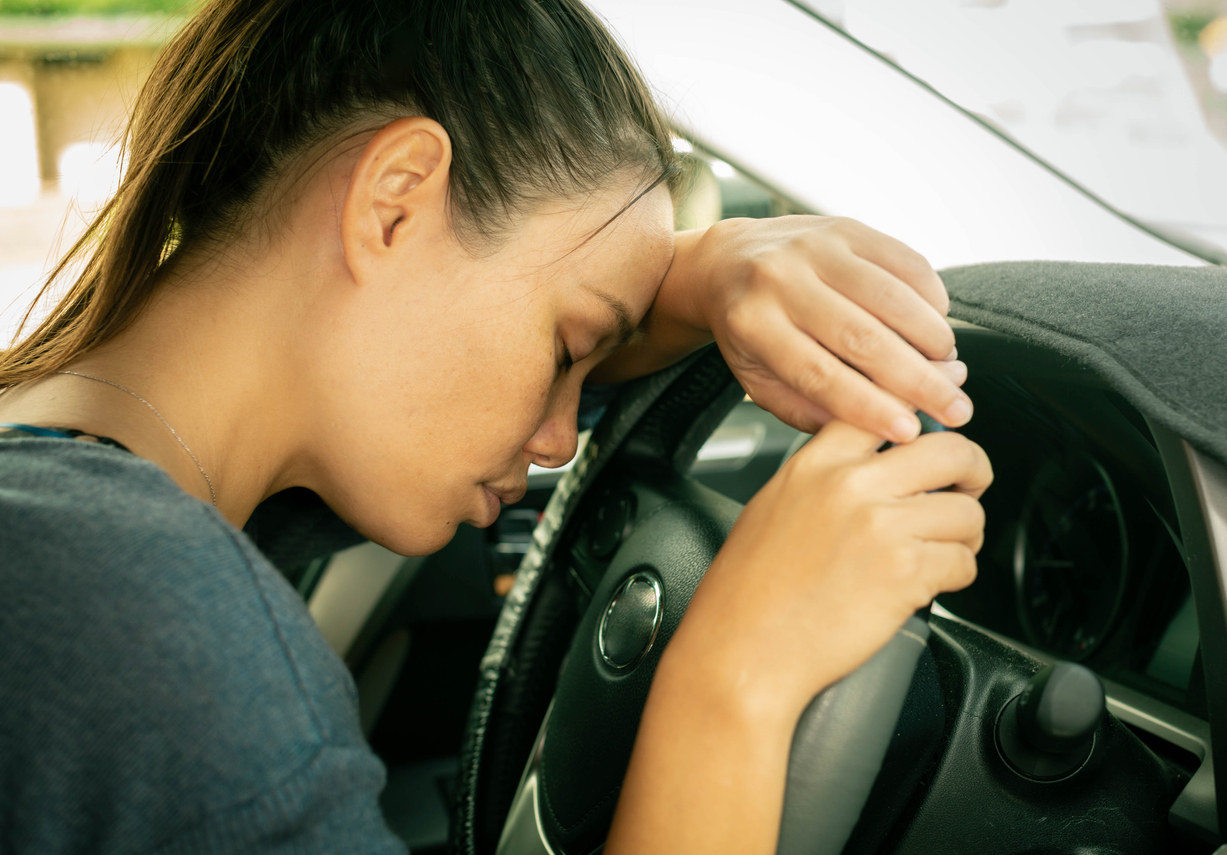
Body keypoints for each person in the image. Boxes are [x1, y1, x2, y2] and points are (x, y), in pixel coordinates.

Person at [0, 0, 992, 852]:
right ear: (393, 206)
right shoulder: (151, 624)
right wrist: (739, 677)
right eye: (569, 350)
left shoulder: (72, 511)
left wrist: (709, 265)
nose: (561, 439)